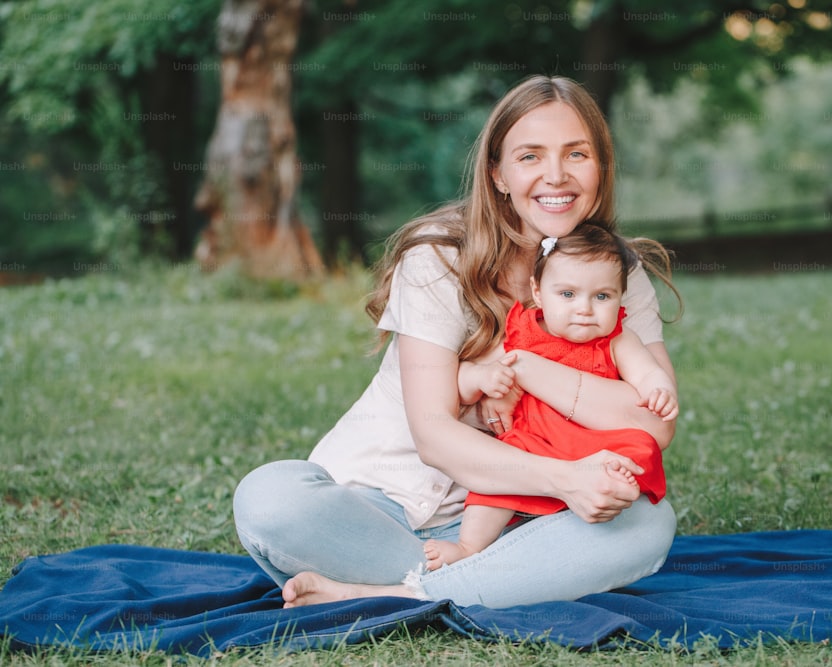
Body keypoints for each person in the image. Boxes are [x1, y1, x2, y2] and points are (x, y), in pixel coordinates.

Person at [232, 75, 682, 610]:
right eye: (530, 156)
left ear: (600, 166)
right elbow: (435, 436)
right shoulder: (437, 258)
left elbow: (654, 424)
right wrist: (566, 478)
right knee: (270, 499)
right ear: (498, 174)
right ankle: (487, 585)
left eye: (576, 154)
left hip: (519, 519)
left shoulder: (616, 272)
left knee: (648, 523)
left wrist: (529, 372)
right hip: (384, 509)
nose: (556, 176)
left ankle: (385, 594)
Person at [423, 224, 679, 571]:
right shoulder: (522, 333)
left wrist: (657, 389)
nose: (584, 309)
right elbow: (463, 379)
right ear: (539, 292)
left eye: (602, 296)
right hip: (535, 442)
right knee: (496, 478)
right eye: (568, 295)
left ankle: (606, 502)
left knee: (637, 447)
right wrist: (482, 377)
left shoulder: (619, 340)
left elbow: (646, 372)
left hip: (596, 446)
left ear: (620, 297)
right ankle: (469, 547)